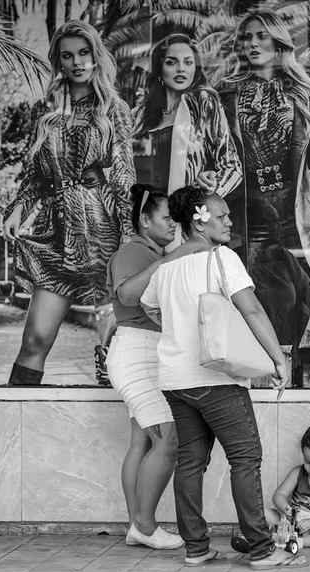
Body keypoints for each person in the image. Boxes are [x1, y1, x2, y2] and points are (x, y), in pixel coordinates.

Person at [140, 186, 306, 569]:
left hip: (175, 378)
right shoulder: (221, 258)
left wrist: (178, 331)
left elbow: (148, 305)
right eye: (221, 215)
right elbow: (253, 311)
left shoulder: (166, 266)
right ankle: (263, 549)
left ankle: (196, 548)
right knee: (245, 457)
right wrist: (276, 358)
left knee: (191, 461)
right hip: (215, 377)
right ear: (198, 217)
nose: (229, 221)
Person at [2, 19, 135, 385]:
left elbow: (124, 177)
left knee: (113, 345)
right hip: (56, 234)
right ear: (58, 62)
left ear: (95, 56)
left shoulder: (113, 108)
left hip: (103, 233)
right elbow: (34, 175)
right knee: (35, 339)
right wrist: (17, 211)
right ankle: (21, 421)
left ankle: (132, 436)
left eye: (84, 53)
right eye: (67, 56)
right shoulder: (44, 110)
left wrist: (129, 240)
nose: (77, 62)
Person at [218, 9, 310, 383]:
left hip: (296, 209)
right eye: (247, 37)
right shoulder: (226, 90)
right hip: (251, 210)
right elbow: (216, 149)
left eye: (261, 36)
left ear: (278, 43)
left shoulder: (299, 91)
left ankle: (306, 381)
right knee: (263, 296)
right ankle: (269, 375)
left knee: (307, 297)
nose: (254, 43)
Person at [106, 184, 207, 551]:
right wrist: (171, 258)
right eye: (166, 218)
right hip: (138, 352)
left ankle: (138, 525)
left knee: (142, 442)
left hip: (142, 351)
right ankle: (145, 527)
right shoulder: (135, 251)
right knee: (169, 440)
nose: (173, 225)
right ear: (144, 220)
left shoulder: (148, 251)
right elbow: (128, 295)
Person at [132, 33, 242, 240]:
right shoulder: (140, 115)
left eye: (188, 62)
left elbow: (232, 167)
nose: (181, 69)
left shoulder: (203, 103)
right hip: (147, 225)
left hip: (185, 225)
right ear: (159, 68)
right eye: (172, 62)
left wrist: (201, 203)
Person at [232, 418, 310, 551]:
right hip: (290, 522)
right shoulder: (297, 472)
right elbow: (279, 495)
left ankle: (296, 542)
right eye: (307, 462)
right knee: (258, 511)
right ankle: (257, 537)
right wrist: (285, 508)